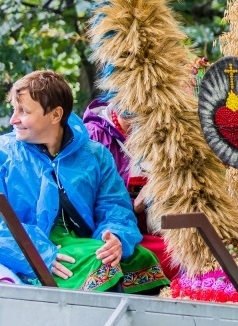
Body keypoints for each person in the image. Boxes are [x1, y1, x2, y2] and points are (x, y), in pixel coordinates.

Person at [0, 70, 169, 293]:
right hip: (33, 247)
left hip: (85, 241)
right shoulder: (4, 154)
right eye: (14, 109)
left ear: (55, 115)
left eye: (24, 111)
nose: (13, 119)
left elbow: (115, 207)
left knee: (142, 258)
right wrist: (38, 254)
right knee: (100, 265)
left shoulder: (94, 155)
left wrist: (115, 237)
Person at [83, 99, 179, 280]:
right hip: (114, 234)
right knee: (172, 257)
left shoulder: (159, 132)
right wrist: (135, 206)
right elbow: (96, 206)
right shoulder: (94, 138)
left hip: (153, 229)